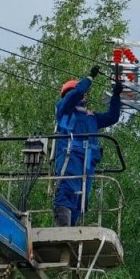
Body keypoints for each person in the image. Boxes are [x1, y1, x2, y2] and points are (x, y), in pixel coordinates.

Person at [53, 65, 123, 227]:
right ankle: (63, 229)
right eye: (82, 93)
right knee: (66, 191)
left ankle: (73, 229)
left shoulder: (91, 117)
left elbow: (112, 117)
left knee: (81, 199)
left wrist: (116, 96)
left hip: (87, 162)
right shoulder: (64, 110)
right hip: (70, 158)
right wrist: (90, 78)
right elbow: (76, 93)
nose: (85, 95)